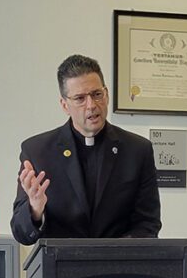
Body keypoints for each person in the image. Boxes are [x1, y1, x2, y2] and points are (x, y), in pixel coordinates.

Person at [10, 54, 161, 244]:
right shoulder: (37, 151)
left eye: (97, 94)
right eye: (80, 98)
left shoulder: (138, 150)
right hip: (60, 268)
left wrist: (114, 254)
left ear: (106, 94)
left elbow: (148, 223)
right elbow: (21, 233)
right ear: (65, 105)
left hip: (119, 268)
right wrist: (34, 209)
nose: (91, 105)